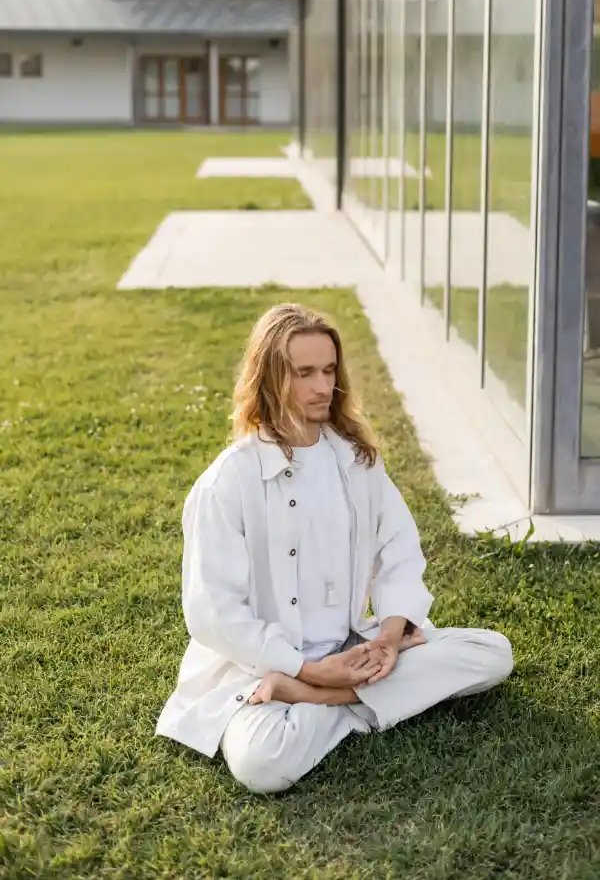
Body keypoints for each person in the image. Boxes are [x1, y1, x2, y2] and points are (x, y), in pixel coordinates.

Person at [156, 304, 513, 794]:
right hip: (259, 671)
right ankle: (354, 698)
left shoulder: (356, 459)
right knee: (263, 763)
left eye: (328, 371)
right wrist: (301, 667)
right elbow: (213, 613)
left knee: (492, 652)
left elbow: (399, 550)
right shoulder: (229, 481)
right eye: (304, 373)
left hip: (353, 649)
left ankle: (320, 699)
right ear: (269, 378)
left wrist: (388, 639)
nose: (322, 386)